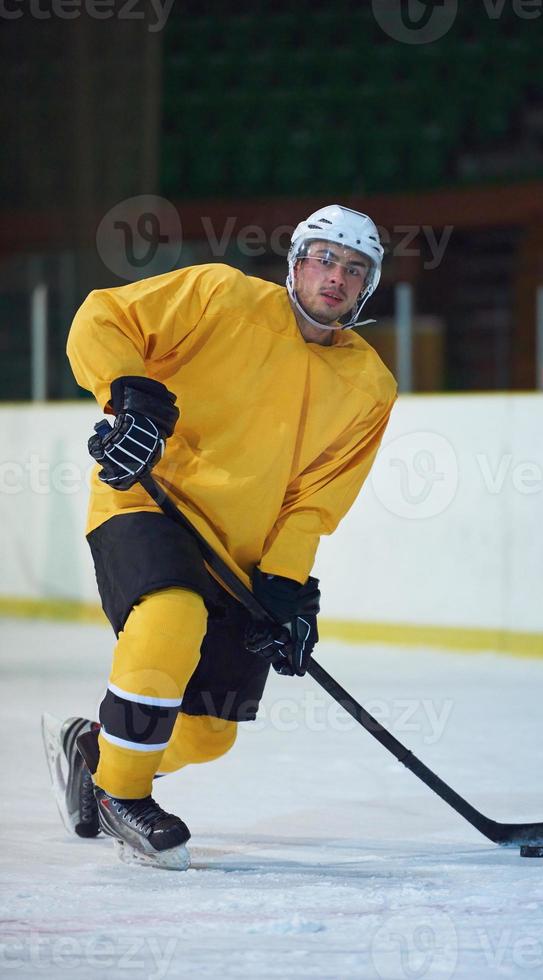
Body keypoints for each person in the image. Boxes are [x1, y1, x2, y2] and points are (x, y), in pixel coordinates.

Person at [43, 205, 397, 870]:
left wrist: (286, 585)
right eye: (324, 258)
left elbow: (314, 501)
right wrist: (130, 397)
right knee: (170, 615)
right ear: (295, 263)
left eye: (355, 269)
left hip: (241, 552)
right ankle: (123, 795)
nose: (336, 277)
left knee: (209, 734)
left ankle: (98, 750)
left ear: (367, 288)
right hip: (149, 498)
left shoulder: (370, 386)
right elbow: (103, 316)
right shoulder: (222, 295)